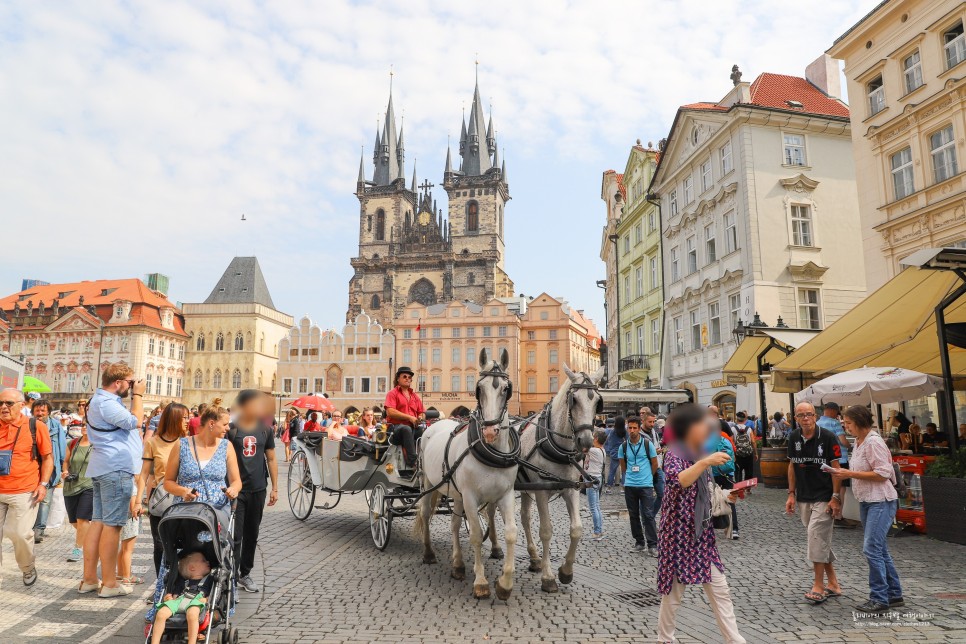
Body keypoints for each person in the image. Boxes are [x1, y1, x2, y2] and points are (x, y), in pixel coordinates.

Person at [656, 403, 745, 644]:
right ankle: (665, 639)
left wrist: (728, 496)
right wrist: (706, 463)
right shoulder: (675, 452)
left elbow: (705, 491)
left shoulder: (700, 453)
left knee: (720, 590)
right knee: (673, 595)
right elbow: (678, 482)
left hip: (701, 534)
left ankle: (734, 640)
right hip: (677, 534)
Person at [148, 405, 241, 622]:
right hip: (188, 510)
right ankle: (173, 595)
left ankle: (213, 601)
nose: (228, 428)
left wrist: (233, 489)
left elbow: (236, 480)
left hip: (216, 510)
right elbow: (168, 482)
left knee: (216, 552)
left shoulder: (226, 446)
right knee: (183, 549)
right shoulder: (182, 445)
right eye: (224, 424)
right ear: (211, 423)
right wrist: (183, 491)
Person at [80, 363, 145, 598]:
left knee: (98, 522)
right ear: (117, 383)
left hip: (104, 466)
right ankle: (109, 582)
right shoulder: (106, 403)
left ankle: (89, 579)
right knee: (113, 525)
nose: (132, 386)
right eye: (129, 382)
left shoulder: (99, 401)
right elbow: (136, 421)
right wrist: (137, 396)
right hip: (115, 468)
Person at [830, 405, 904, 614]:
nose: (845, 427)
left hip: (880, 500)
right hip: (867, 500)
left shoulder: (873, 442)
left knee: (871, 548)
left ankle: (879, 598)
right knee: (879, 549)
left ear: (860, 422)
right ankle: (894, 593)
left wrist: (850, 474)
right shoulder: (860, 442)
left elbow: (882, 473)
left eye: (849, 423)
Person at [785, 401, 844, 605]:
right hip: (803, 496)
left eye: (809, 414)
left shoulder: (827, 437)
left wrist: (836, 497)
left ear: (816, 416)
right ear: (795, 418)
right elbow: (792, 466)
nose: (806, 418)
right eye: (801, 415)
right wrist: (791, 494)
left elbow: (836, 468)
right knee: (818, 539)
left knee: (815, 535)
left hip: (825, 495)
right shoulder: (793, 437)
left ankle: (818, 585)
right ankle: (834, 583)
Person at [0, 388, 54, 587]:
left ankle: (27, 566)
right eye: (0, 404)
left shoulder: (35, 426)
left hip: (25, 490)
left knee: (20, 534)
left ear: (22, 405)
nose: (4, 407)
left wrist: (43, 484)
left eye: (9, 403)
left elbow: (48, 457)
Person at [227, 390, 279, 594]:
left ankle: (245, 572)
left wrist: (275, 487)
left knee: (252, 533)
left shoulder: (265, 430)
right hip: (237, 489)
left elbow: (272, 459)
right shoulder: (231, 429)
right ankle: (231, 573)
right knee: (236, 534)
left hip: (258, 488)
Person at [136, 403, 190, 575]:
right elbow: (144, 474)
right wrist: (139, 501)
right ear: (174, 419)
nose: (188, 421)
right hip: (161, 501)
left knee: (181, 545)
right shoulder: (153, 443)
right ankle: (162, 586)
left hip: (183, 500)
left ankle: (177, 585)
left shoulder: (187, 443)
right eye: (184, 418)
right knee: (160, 546)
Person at [150, 551, 214, 644]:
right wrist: (169, 598)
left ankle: (191, 642)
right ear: (192, 568)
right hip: (180, 599)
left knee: (192, 614)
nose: (208, 562)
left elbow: (211, 593)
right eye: (203, 561)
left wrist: (207, 599)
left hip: (196, 600)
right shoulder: (182, 581)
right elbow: (176, 595)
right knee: (161, 613)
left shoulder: (209, 579)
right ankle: (154, 641)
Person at [619, 416, 659, 556]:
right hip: (630, 485)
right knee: (633, 515)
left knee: (648, 515)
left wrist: (649, 476)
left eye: (635, 428)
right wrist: (629, 477)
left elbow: (655, 464)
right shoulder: (623, 447)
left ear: (639, 428)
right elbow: (623, 466)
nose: (632, 430)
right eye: (630, 428)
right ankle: (639, 542)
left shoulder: (648, 444)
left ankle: (653, 544)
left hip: (645, 485)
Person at [30, 398, 67, 544]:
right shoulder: (28, 425)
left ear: (48, 412)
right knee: (30, 499)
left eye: (42, 410)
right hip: (32, 467)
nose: (39, 413)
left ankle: (39, 529)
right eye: (37, 410)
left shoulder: (56, 426)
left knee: (45, 500)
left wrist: (61, 467)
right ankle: (29, 527)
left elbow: (62, 447)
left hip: (51, 468)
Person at [63, 417, 94, 562]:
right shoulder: (73, 443)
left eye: (88, 425)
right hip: (71, 485)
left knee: (82, 518)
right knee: (74, 522)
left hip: (89, 486)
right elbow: (66, 462)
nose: (84, 427)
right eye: (83, 425)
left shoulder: (98, 445)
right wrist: (65, 472)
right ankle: (93, 538)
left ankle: (78, 549)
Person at [384, 366, 425, 469]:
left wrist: (419, 417)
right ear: (398, 379)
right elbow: (390, 412)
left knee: (424, 432)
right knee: (406, 429)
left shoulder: (415, 396)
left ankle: (425, 458)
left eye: (409, 377)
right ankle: (413, 462)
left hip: (412, 428)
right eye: (404, 376)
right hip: (395, 429)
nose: (408, 378)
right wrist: (410, 418)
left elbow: (422, 412)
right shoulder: (392, 393)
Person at [708, 416, 740, 540]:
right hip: (728, 474)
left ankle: (710, 528)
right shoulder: (726, 440)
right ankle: (734, 529)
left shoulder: (708, 441)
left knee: (711, 500)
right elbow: (733, 456)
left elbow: (703, 456)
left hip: (714, 475)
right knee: (730, 500)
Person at [583, 430, 606, 541]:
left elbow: (581, 449)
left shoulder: (594, 451)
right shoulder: (602, 450)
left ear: (596, 439)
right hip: (597, 479)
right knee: (596, 506)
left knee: (593, 508)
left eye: (593, 437)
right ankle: (599, 530)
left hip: (592, 480)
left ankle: (597, 532)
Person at [642, 411, 665, 514]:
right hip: (645, 469)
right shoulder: (639, 435)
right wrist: (652, 452)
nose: (652, 424)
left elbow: (657, 447)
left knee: (662, 493)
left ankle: (651, 516)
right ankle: (646, 521)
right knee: (646, 497)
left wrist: (658, 454)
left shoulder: (654, 433)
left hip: (657, 467)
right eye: (650, 422)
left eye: (653, 422)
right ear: (643, 421)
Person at [817, 402, 849, 471]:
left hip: (825, 460)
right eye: (837, 413)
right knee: (842, 480)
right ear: (833, 411)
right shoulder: (835, 422)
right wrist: (849, 446)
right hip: (840, 459)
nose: (837, 416)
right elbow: (843, 441)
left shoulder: (816, 424)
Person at [603, 416, 625, 490]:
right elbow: (628, 441)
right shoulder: (625, 431)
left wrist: (611, 450)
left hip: (614, 453)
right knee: (624, 471)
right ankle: (623, 488)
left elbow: (609, 442)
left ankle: (609, 488)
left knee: (612, 471)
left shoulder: (613, 432)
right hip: (624, 453)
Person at [733, 420, 757, 485]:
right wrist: (756, 453)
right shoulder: (749, 429)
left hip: (738, 453)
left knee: (738, 471)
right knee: (748, 471)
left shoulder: (733, 429)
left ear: (737, 419)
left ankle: (739, 488)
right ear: (745, 420)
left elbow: (731, 442)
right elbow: (753, 442)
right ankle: (748, 489)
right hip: (748, 453)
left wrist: (733, 454)